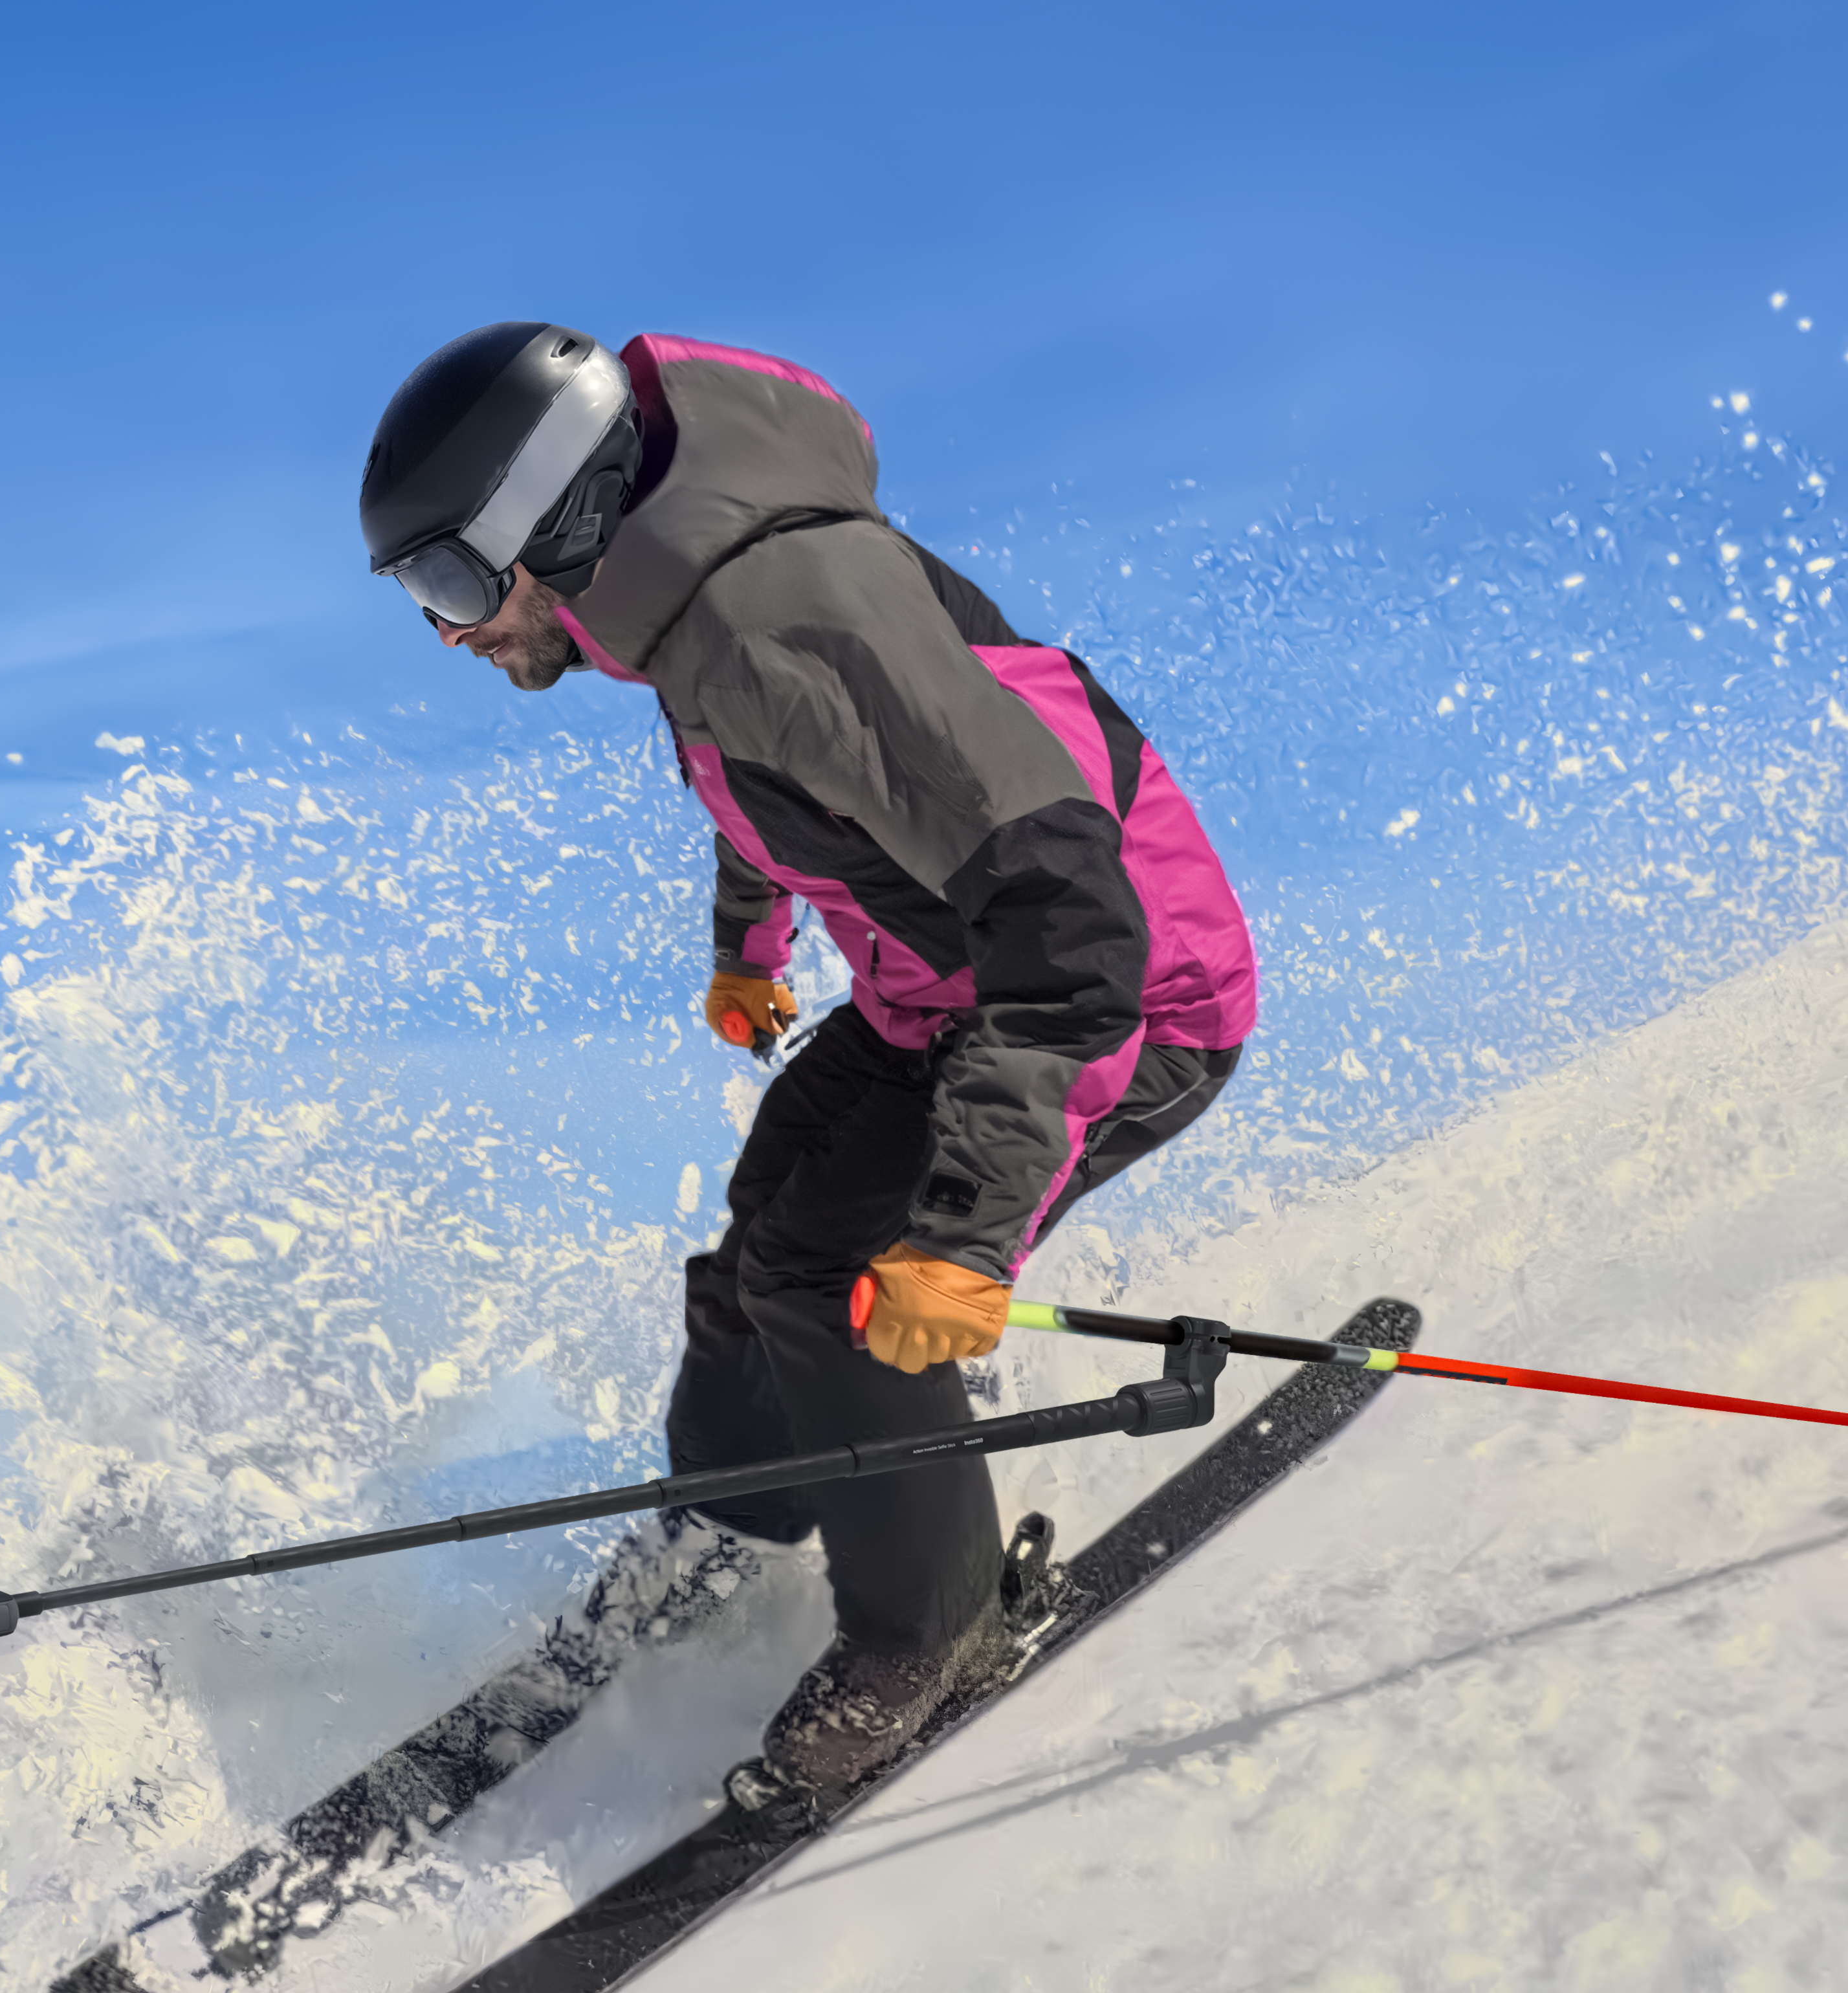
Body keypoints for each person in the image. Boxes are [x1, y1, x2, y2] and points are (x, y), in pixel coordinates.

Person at [360, 324, 1259, 1802]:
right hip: (945, 993)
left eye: (451, 582)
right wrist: (750, 953)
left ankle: (935, 1625)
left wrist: (965, 1236)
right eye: (419, 597)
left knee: (842, 1292)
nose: (450, 633)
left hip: (1124, 999)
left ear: (560, 520)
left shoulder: (783, 612)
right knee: (760, 1242)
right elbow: (781, 795)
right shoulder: (689, 616)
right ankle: (743, 1515)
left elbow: (1071, 914)